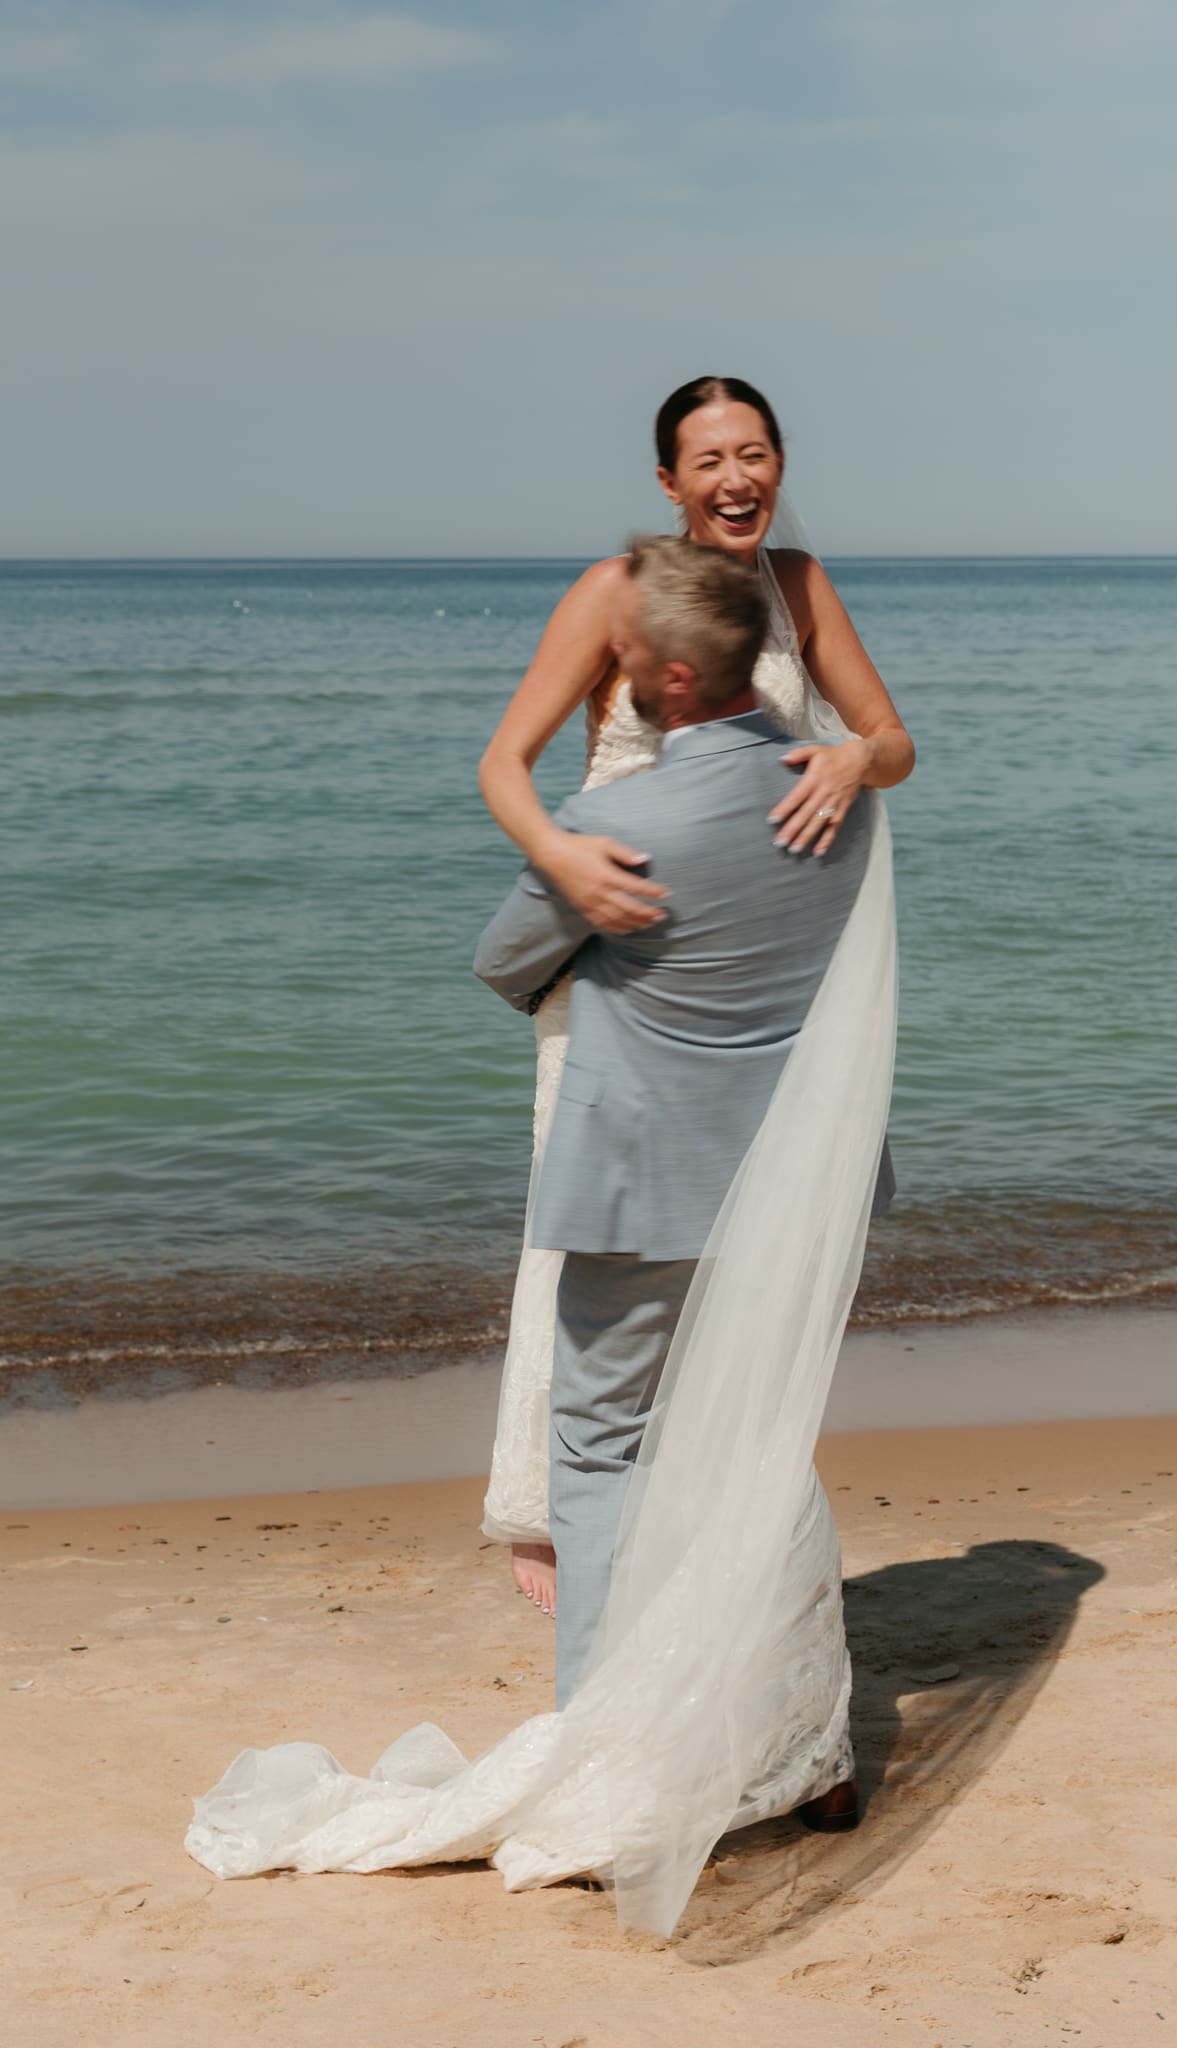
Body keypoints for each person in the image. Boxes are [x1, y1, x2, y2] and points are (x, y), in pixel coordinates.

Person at [185, 537, 900, 1938]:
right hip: (788, 1185)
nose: (613, 673)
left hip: (645, 1188)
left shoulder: (623, 818)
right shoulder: (836, 798)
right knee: (762, 1448)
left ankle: (603, 1757)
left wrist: (597, 923)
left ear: (672, 677)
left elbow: (505, 964)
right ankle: (813, 1752)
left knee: (599, 1454)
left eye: (628, 657)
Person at [480, 375, 914, 1616]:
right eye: (710, 459)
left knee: (742, 1251)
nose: (738, 477)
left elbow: (896, 743)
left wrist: (853, 754)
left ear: (780, 463)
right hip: (618, 963)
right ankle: (549, 1512)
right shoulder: (617, 590)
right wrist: (560, 855)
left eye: (756, 451)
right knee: (584, 1228)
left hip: (751, 977)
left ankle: (694, 1496)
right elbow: (505, 760)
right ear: (669, 483)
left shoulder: (800, 586)